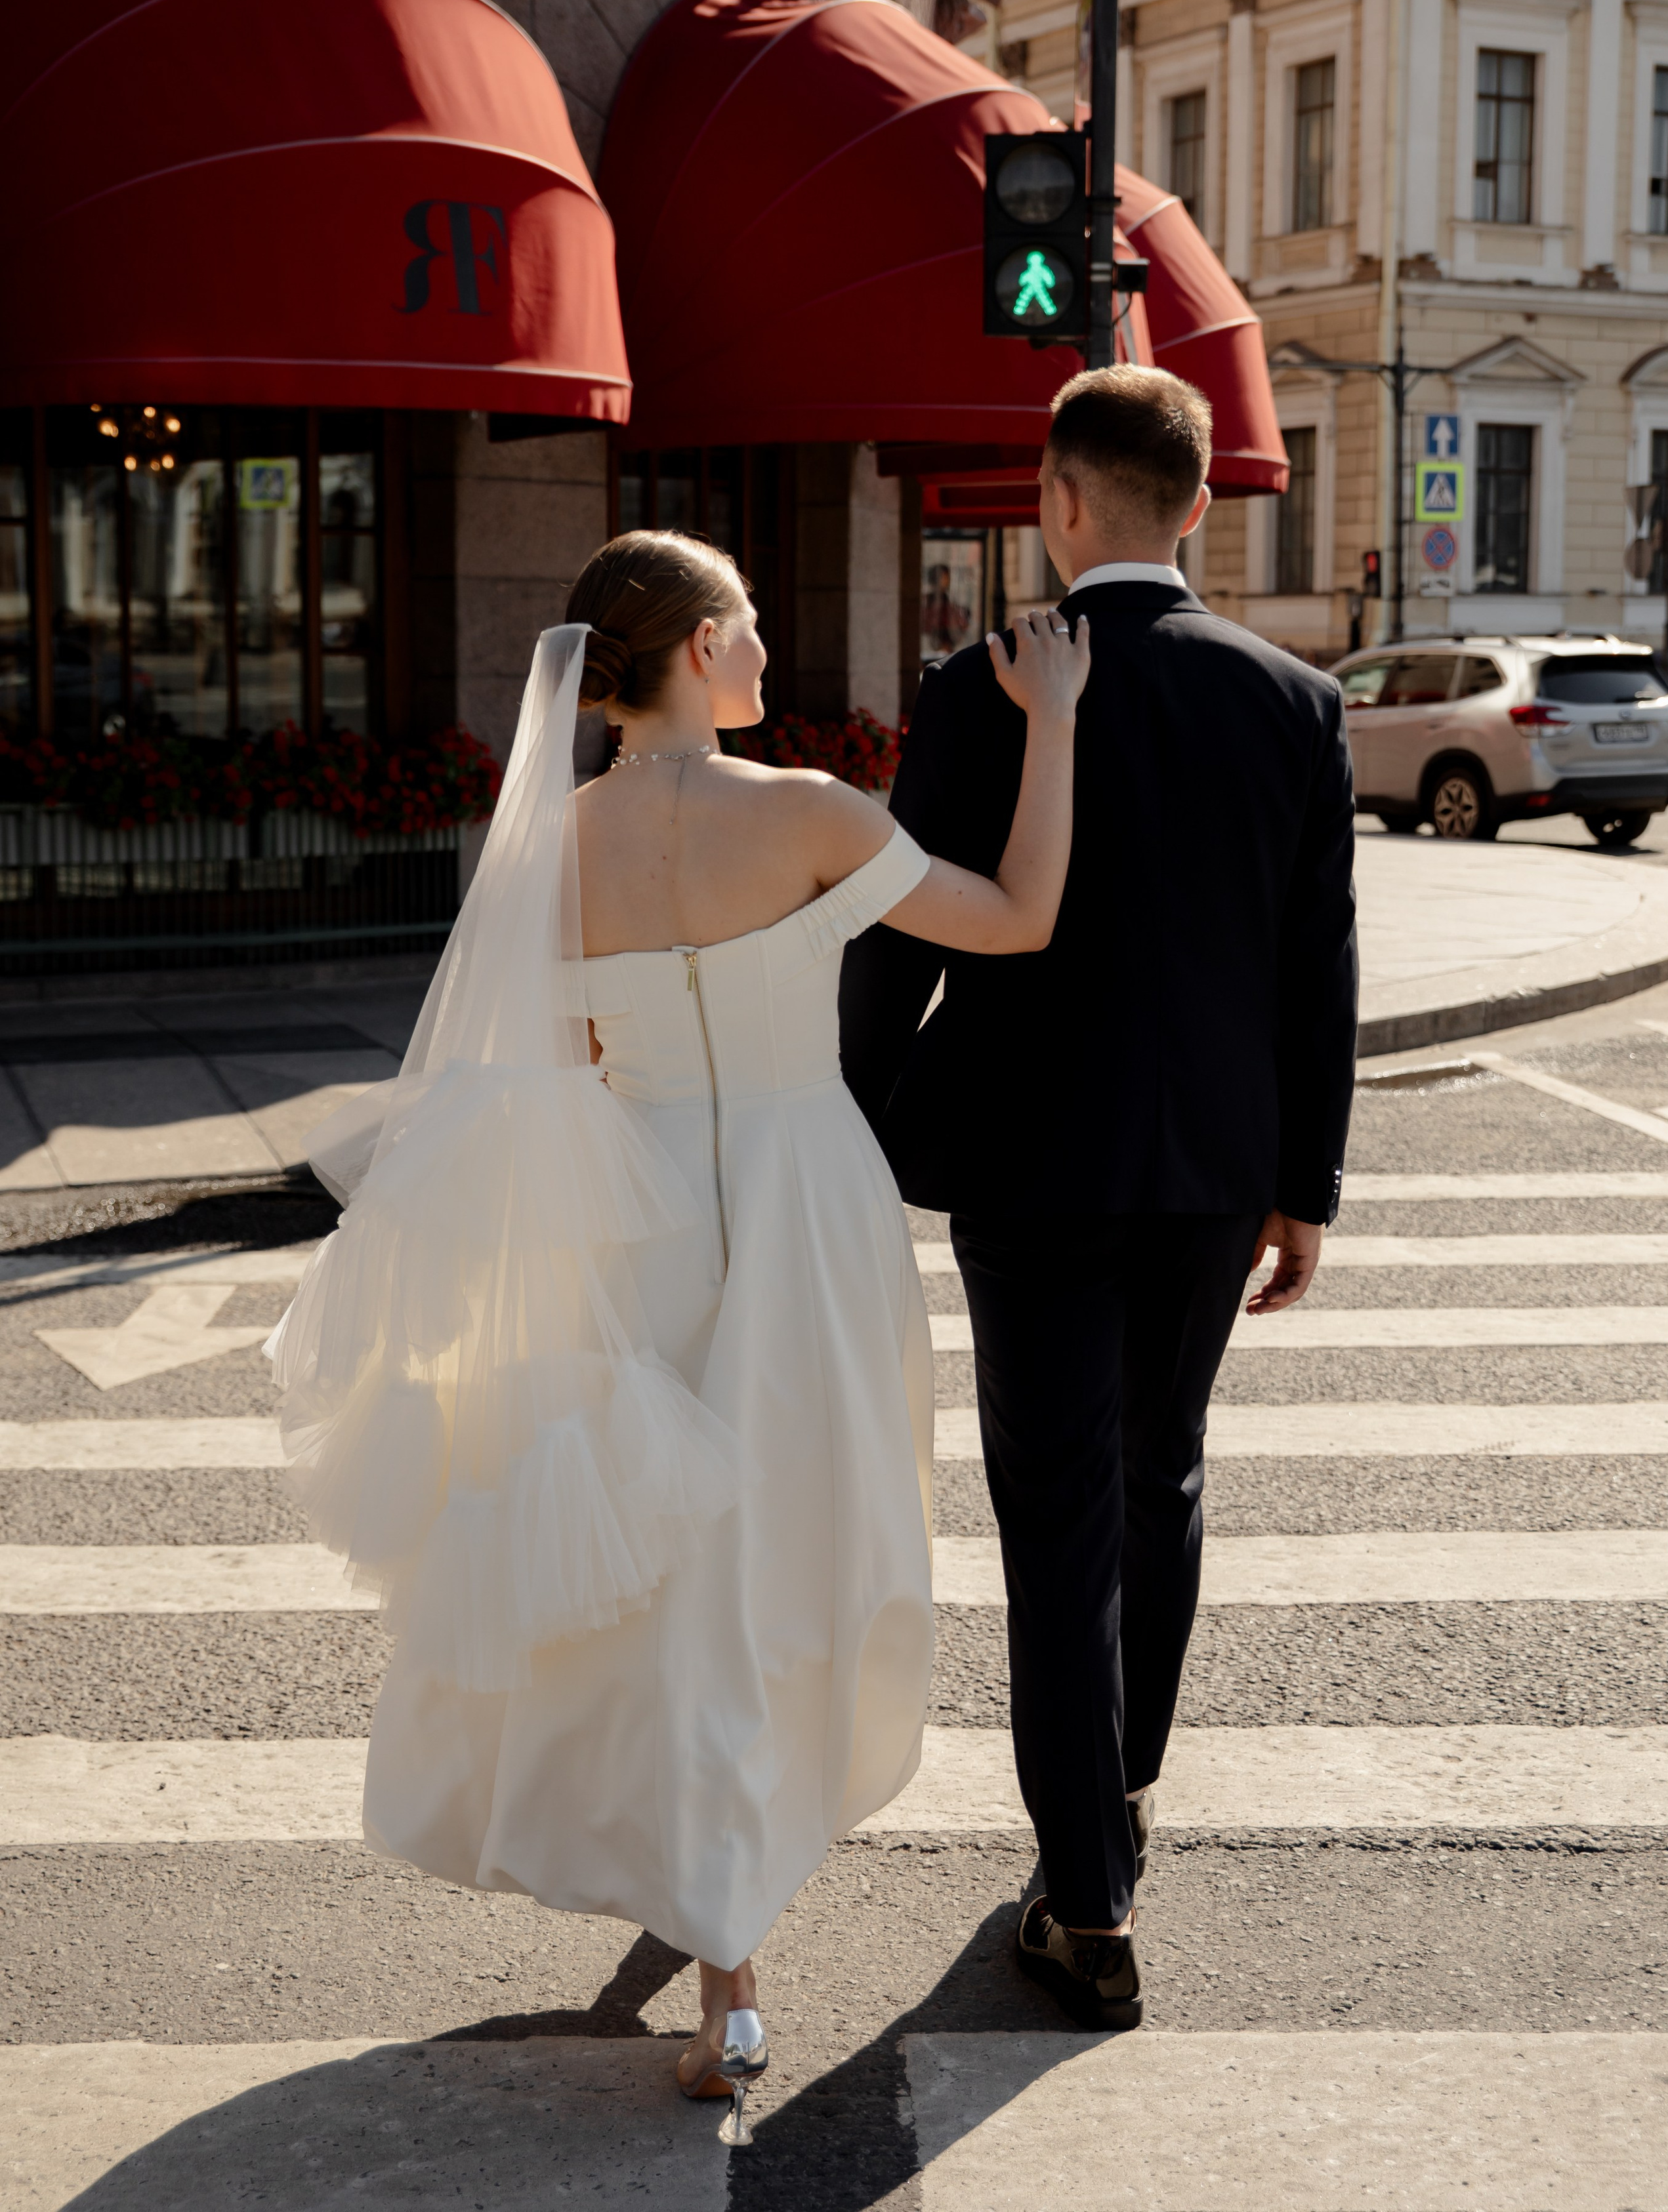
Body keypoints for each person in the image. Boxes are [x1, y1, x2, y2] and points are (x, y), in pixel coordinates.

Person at [268, 530, 1090, 2133]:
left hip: (631, 1208)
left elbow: (560, 1057)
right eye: (753, 626)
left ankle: (708, 1905)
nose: (767, 650)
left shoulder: (552, 843)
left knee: (669, 1565)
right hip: (805, 1207)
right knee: (792, 1544)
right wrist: (1050, 722)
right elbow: (1016, 916)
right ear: (702, 644)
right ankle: (729, 1926)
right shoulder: (808, 811)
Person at [839, 365, 1358, 2033]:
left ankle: (1086, 1899)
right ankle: (1116, 1795)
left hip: (1029, 1160)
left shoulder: (975, 686)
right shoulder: (1294, 700)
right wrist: (1305, 1185)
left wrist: (843, 1123)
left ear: (1055, 503)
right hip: (1214, 1168)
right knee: (1161, 1472)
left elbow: (897, 934)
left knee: (1057, 1514)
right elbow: (1315, 968)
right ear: (1199, 505)